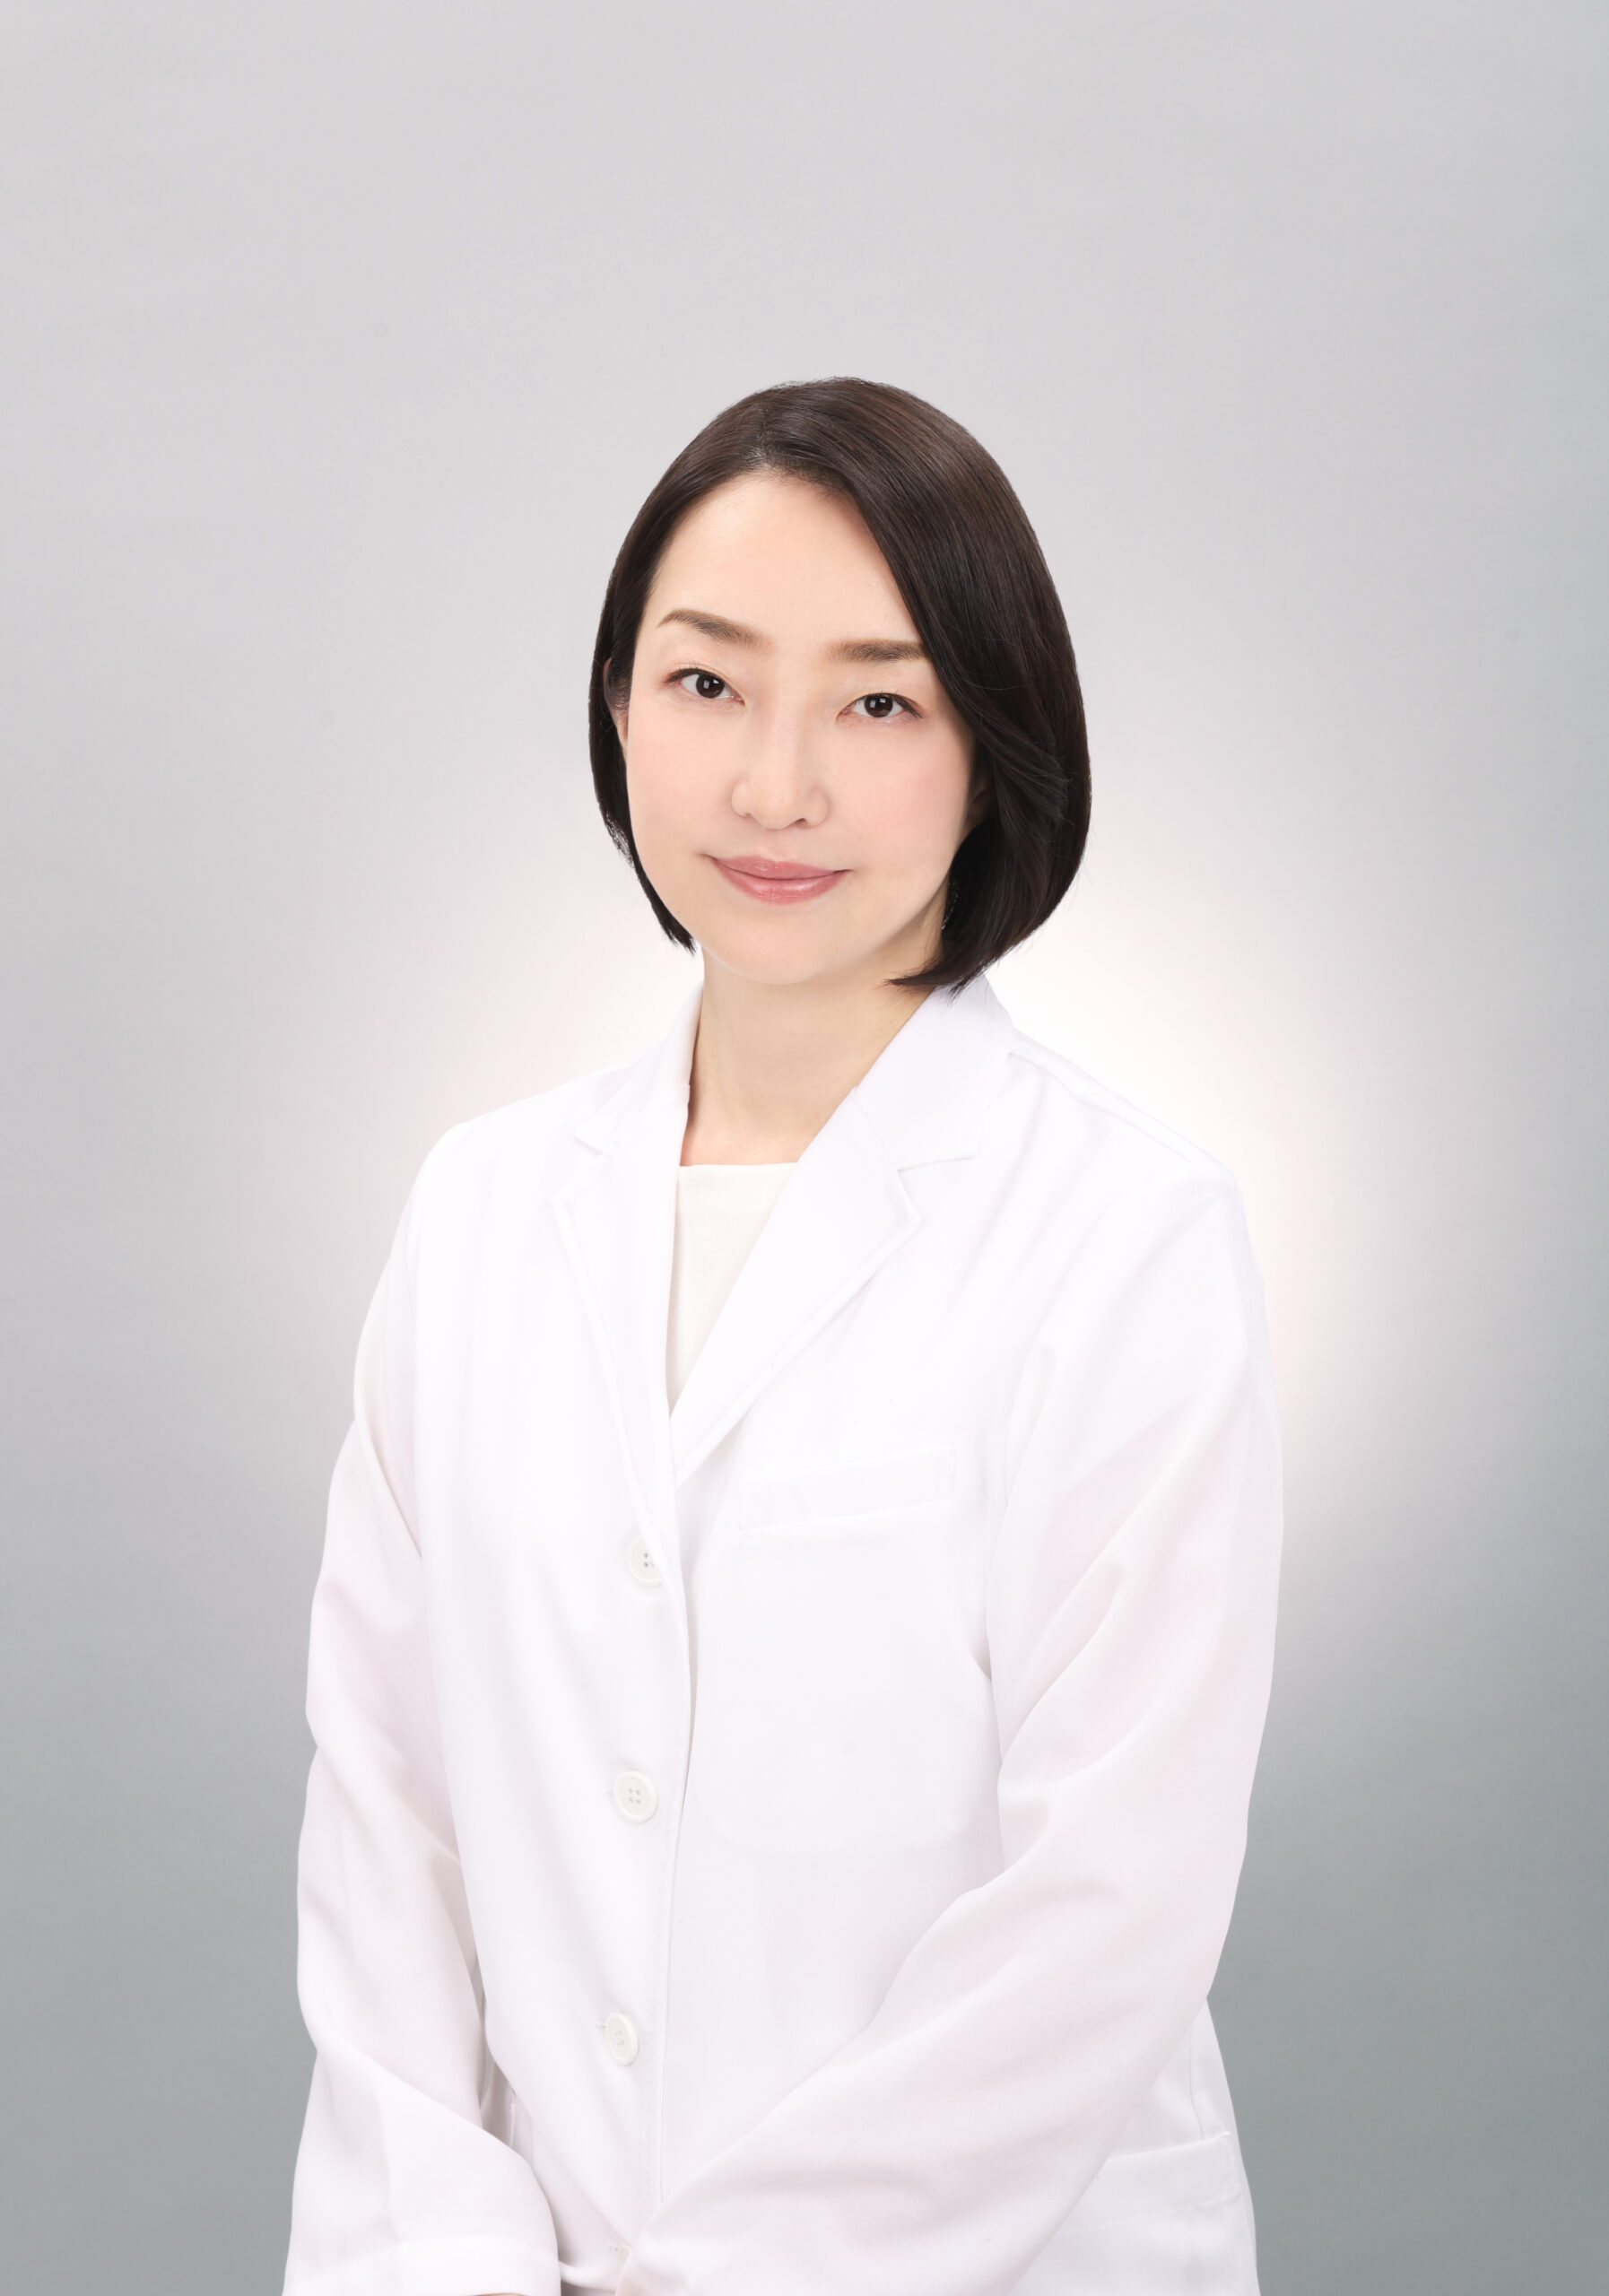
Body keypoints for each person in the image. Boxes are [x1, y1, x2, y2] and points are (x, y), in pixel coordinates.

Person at [282, 378, 1283, 2296]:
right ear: (617, 707)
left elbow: (1104, 1909)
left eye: (878, 704)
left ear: (995, 743)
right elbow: (387, 1823)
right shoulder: (479, 1212)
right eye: (707, 683)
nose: (773, 786)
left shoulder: (1121, 1234)